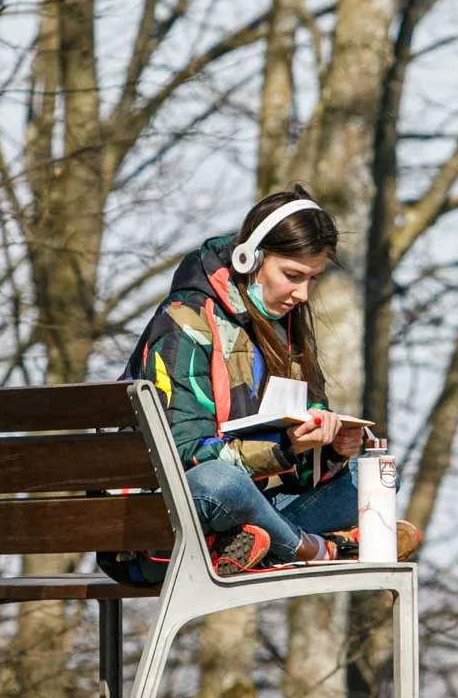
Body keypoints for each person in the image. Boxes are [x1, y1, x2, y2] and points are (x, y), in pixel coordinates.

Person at [118, 187, 420, 576]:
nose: (302, 294)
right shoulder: (185, 321)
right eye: (292, 276)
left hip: (242, 519)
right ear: (250, 258)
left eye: (313, 279)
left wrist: (329, 450)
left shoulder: (288, 330)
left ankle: (265, 546)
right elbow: (182, 457)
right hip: (158, 530)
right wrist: (283, 445)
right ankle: (321, 549)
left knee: (375, 478)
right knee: (222, 481)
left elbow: (294, 475)